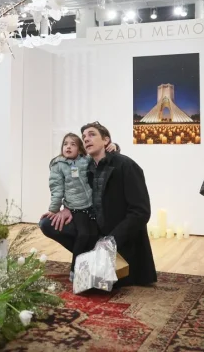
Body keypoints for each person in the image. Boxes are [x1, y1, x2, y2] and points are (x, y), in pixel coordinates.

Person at [40, 122, 157, 287]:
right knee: (47, 223)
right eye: (84, 137)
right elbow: (76, 191)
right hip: (93, 227)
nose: (86, 139)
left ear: (106, 140)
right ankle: (89, 259)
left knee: (100, 287)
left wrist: (112, 240)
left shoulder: (126, 165)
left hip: (118, 235)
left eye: (92, 134)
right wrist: (68, 208)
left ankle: (100, 260)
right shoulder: (85, 166)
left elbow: (141, 212)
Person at [47, 134, 118, 279]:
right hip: (76, 208)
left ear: (80, 149)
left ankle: (95, 267)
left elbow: (101, 157)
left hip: (91, 206)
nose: (68, 147)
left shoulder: (86, 160)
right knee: (84, 234)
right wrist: (54, 210)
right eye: (65, 144)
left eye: (73, 144)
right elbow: (56, 188)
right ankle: (75, 270)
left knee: (93, 236)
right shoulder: (58, 165)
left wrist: (114, 147)